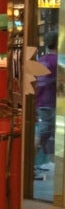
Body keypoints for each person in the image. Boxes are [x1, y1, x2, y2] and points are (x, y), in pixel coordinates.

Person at [35, 30, 57, 169]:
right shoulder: (57, 61)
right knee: (45, 133)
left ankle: (33, 161)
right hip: (52, 102)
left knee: (43, 132)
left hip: (41, 102)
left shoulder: (41, 60)